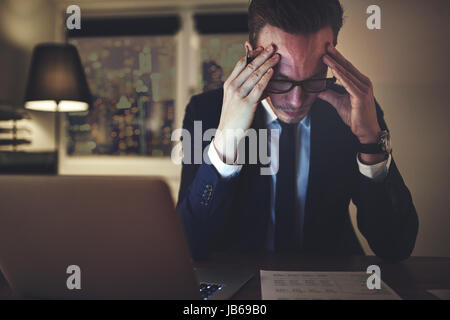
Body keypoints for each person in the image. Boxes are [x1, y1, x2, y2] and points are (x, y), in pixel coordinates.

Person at [176, 0, 418, 261]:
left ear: (332, 58)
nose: (296, 101)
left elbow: (395, 246)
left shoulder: (356, 109)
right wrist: (225, 141)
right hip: (243, 284)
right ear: (250, 57)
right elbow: (188, 246)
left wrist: (371, 142)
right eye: (280, 78)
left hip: (334, 277)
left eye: (314, 77)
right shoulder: (205, 113)